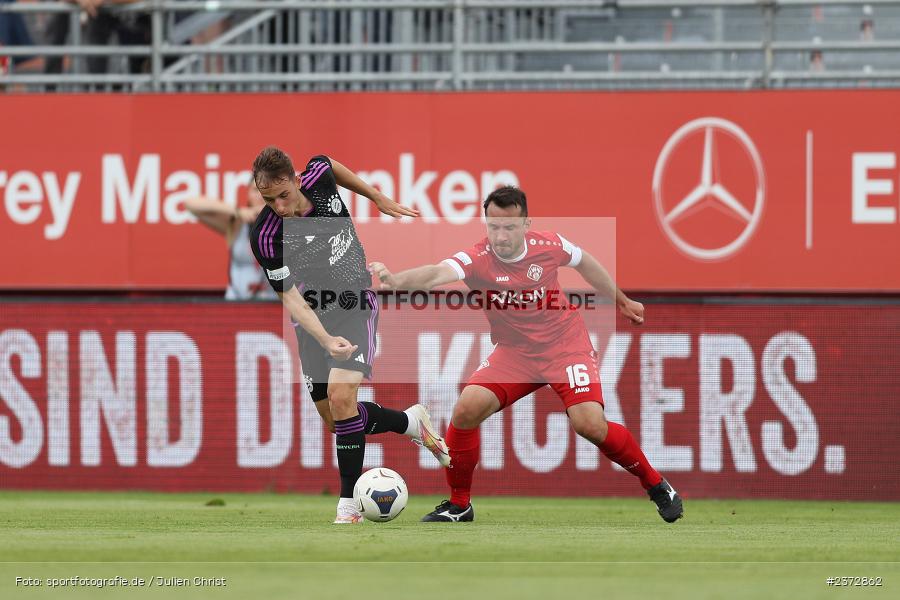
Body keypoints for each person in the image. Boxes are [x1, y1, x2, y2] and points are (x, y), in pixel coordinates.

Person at [369, 186, 684, 524]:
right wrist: (397, 279)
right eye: (493, 227)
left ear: (526, 224)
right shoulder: (478, 258)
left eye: (508, 227)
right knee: (466, 409)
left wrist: (620, 299)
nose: (500, 236)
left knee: (589, 424)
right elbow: (435, 273)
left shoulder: (549, 245)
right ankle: (459, 505)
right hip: (515, 353)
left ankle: (655, 485)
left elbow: (586, 262)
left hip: (565, 346)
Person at [248, 146, 450, 524]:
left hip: (354, 303)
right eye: (268, 199)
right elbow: (289, 298)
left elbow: (330, 164)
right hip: (312, 322)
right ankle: (409, 423)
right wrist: (324, 339)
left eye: (283, 194)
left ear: (296, 180)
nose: (278, 205)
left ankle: (348, 506)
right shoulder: (266, 235)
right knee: (337, 420)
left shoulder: (318, 178)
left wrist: (377, 197)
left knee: (343, 399)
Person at [186, 180, 277, 301]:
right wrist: (237, 211)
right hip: (236, 304)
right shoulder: (236, 223)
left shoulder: (283, 222)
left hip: (273, 305)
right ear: (248, 194)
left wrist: (269, 213)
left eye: (266, 190)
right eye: (255, 190)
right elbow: (190, 204)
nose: (260, 195)